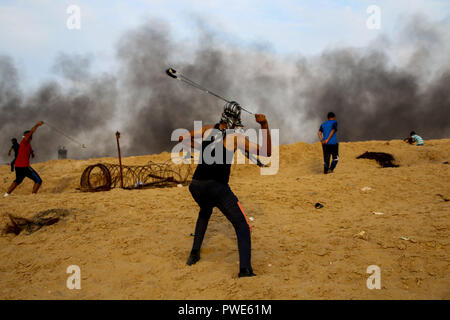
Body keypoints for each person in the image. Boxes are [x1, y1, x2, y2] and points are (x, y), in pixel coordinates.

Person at [180, 101, 271, 278]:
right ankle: (245, 270)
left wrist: (201, 149)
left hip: (196, 186)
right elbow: (266, 151)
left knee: (205, 212)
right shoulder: (235, 137)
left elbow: (182, 138)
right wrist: (264, 125)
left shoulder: (207, 129)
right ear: (236, 118)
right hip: (216, 187)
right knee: (242, 226)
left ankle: (194, 254)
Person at [4, 121, 44, 197]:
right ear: (26, 136)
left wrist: (32, 154)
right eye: (29, 135)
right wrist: (37, 125)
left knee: (18, 181)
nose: (31, 137)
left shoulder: (27, 144)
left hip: (18, 166)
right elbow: (31, 132)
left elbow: (30, 150)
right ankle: (33, 196)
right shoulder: (24, 141)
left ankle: (6, 195)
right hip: (24, 166)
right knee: (38, 180)